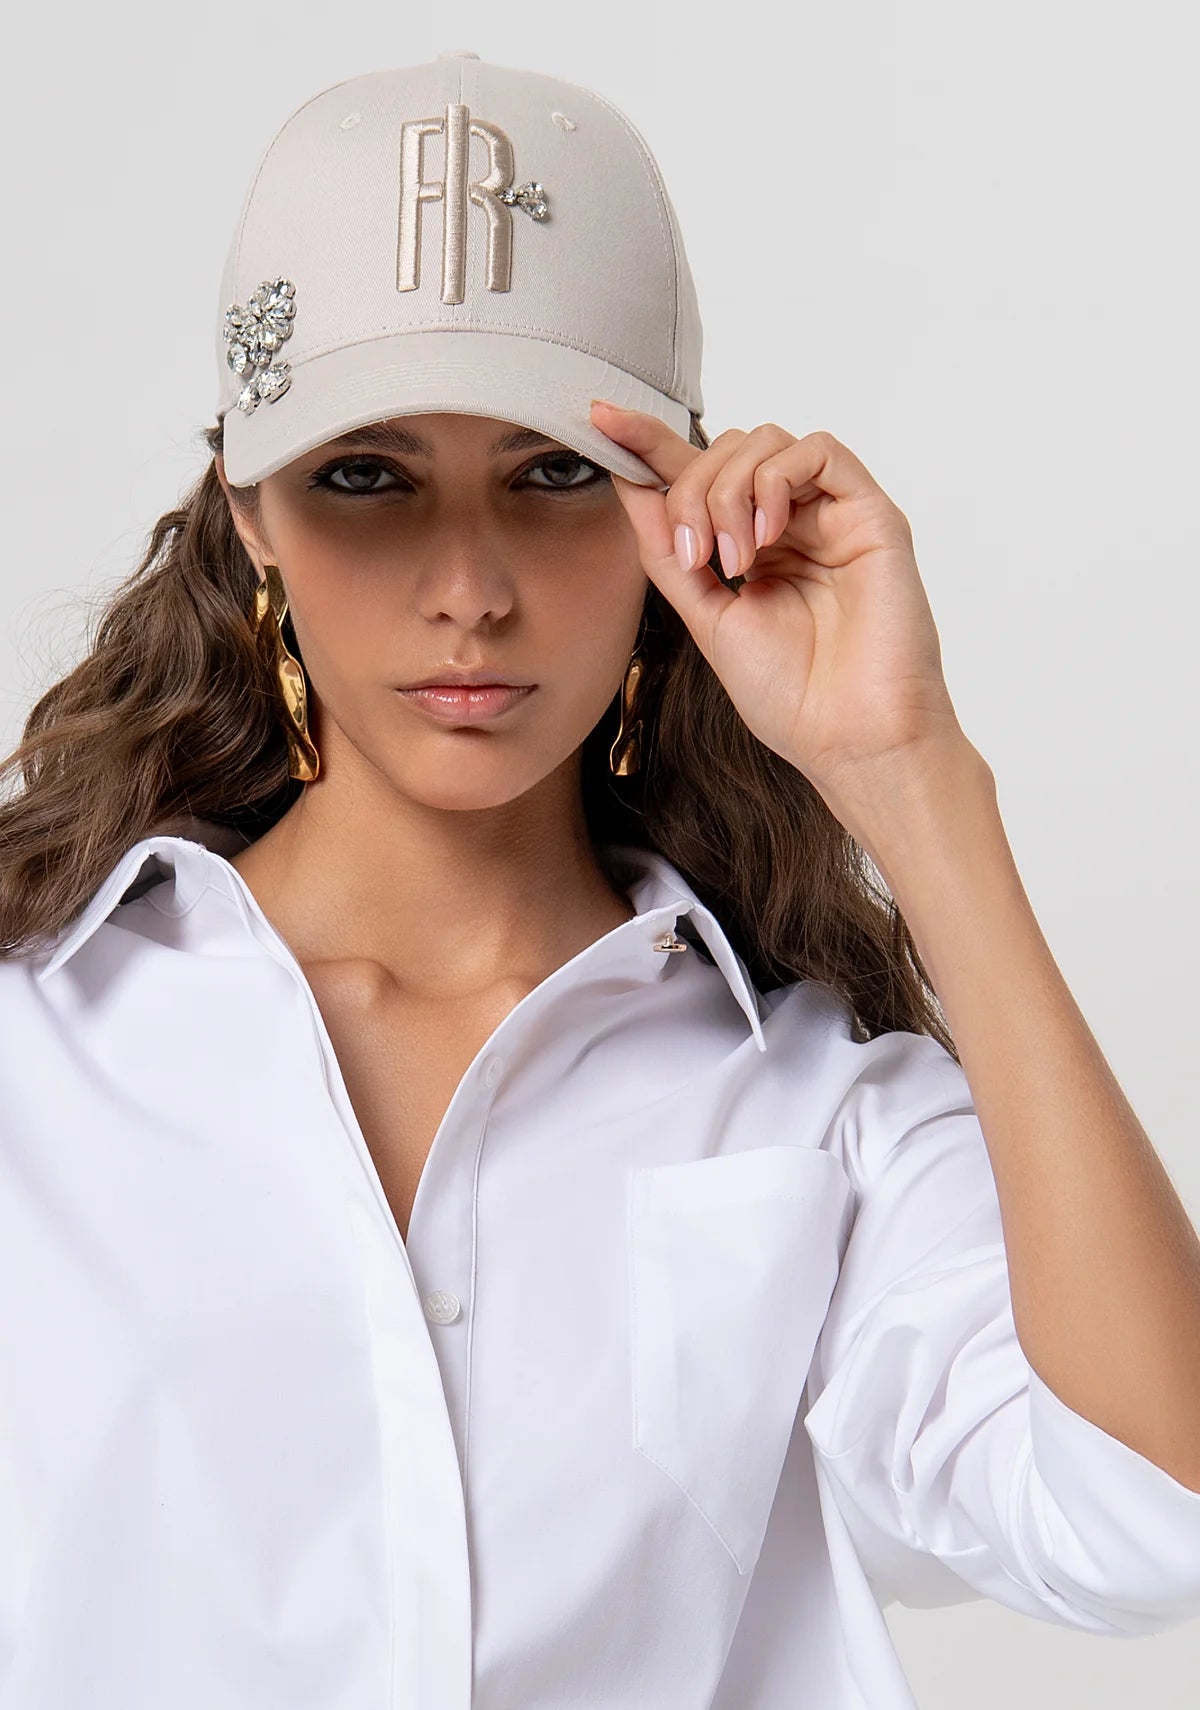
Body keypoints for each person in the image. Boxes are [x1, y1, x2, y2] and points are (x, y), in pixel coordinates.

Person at [1, 48, 1199, 1710]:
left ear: (676, 508)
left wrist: (911, 773)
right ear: (251, 511)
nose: (470, 587)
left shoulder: (811, 1110)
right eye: (368, 475)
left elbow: (1151, 1513)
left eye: (555, 471)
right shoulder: (38, 1062)